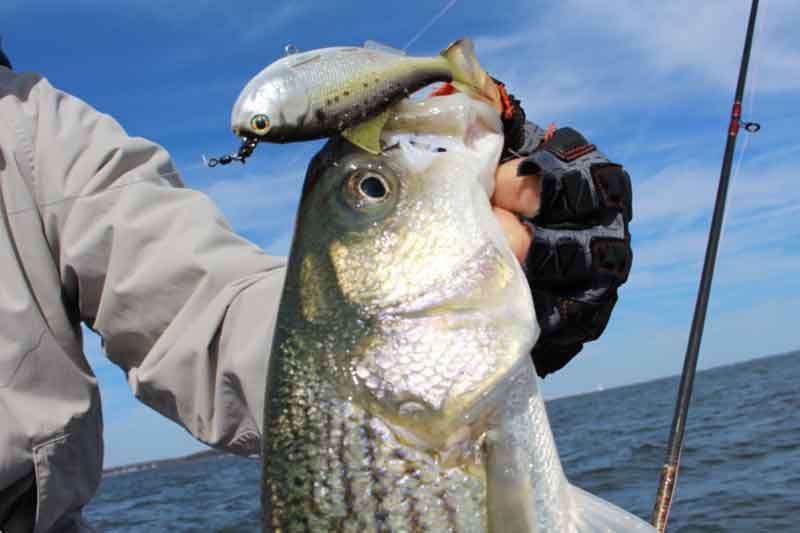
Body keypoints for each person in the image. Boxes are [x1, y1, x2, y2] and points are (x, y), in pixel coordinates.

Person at [0, 45, 631, 532]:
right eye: (374, 192)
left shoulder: (36, 130)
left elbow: (202, 312)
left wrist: (509, 279)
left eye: (371, 193)